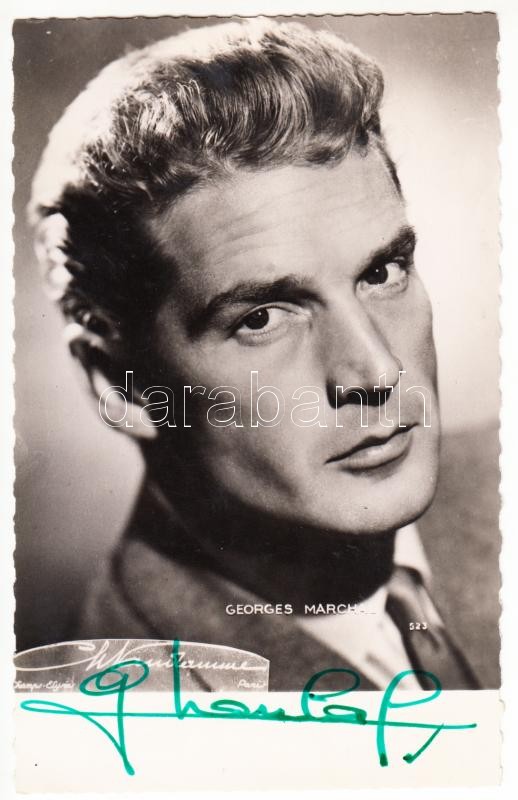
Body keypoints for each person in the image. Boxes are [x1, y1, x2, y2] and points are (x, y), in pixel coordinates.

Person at [29, 19, 500, 691]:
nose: (377, 372)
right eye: (262, 318)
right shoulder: (128, 711)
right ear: (121, 385)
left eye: (381, 273)